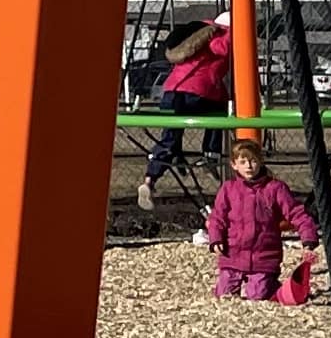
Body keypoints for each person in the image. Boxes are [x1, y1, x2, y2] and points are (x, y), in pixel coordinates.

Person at [203, 135, 320, 303]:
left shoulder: (275, 188)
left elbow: (297, 213)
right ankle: (241, 284)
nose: (249, 166)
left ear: (261, 161)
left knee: (258, 296)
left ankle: (272, 286)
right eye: (243, 162)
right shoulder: (229, 189)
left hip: (263, 256)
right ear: (234, 165)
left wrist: (308, 239)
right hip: (233, 254)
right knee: (224, 295)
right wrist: (215, 239)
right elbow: (217, 218)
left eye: (253, 161)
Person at [137, 15, 236, 206]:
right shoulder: (222, 34)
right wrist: (236, 35)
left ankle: (150, 179)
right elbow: (221, 49)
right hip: (198, 91)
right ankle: (211, 153)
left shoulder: (197, 32)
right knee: (220, 112)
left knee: (170, 136)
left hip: (171, 90)